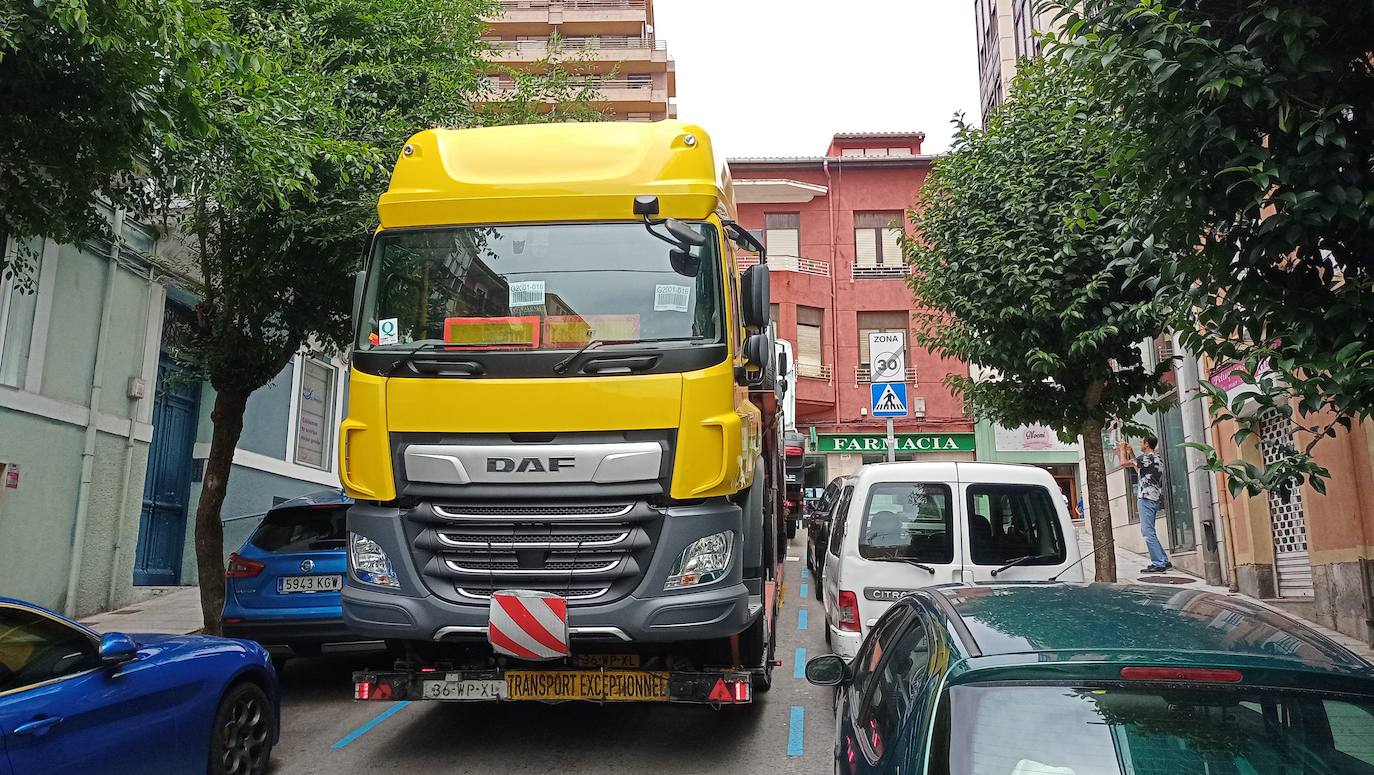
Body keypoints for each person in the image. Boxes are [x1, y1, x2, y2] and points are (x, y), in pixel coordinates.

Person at [1119, 435, 1171, 572]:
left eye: (1141, 442)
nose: (1140, 444)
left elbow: (1124, 463)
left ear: (1147, 444)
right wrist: (1131, 452)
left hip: (1146, 498)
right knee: (1150, 531)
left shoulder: (1147, 458)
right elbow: (1140, 469)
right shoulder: (1157, 458)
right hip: (1154, 498)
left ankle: (1159, 563)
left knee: (1147, 532)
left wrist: (1122, 449)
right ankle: (1163, 560)